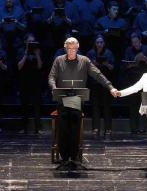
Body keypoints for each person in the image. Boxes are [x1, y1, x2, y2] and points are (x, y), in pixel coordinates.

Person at [48, 37, 118, 168]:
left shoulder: (84, 61)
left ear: (77, 47)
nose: (71, 51)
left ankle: (74, 158)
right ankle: (64, 158)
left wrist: (110, 87)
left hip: (76, 99)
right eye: (69, 48)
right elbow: (51, 77)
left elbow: (98, 74)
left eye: (74, 48)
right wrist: (54, 87)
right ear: (65, 48)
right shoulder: (58, 60)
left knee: (74, 127)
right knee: (63, 128)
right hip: (62, 98)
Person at [85, 35, 116, 136]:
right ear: (95, 43)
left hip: (105, 83)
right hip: (94, 83)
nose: (99, 44)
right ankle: (96, 128)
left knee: (107, 106)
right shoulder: (90, 53)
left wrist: (106, 64)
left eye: (101, 42)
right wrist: (94, 64)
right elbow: (86, 69)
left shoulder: (109, 53)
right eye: (97, 42)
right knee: (95, 106)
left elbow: (112, 68)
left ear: (104, 43)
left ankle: (108, 129)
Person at [122, 33, 147, 134]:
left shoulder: (146, 49)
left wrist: (145, 59)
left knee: (144, 103)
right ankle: (134, 128)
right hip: (132, 79)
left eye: (136, 42)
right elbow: (125, 65)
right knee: (133, 104)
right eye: (133, 42)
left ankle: (143, 128)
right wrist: (134, 62)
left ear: (140, 41)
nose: (135, 44)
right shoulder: (128, 50)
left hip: (144, 78)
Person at [16, 33, 45, 134]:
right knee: (24, 105)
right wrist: (25, 53)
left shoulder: (38, 51)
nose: (31, 43)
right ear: (25, 42)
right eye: (29, 41)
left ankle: (38, 128)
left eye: (33, 41)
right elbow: (19, 66)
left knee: (37, 106)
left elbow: (40, 66)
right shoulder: (21, 51)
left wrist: (37, 55)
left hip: (36, 81)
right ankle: (24, 127)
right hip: (24, 81)